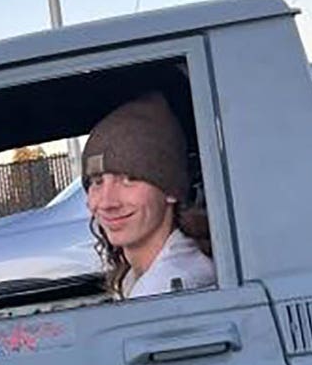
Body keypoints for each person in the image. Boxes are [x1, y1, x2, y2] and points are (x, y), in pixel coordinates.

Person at [83, 91, 217, 299]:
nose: (107, 202)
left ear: (171, 191)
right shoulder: (139, 276)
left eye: (129, 179)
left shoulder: (172, 289)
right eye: (97, 181)